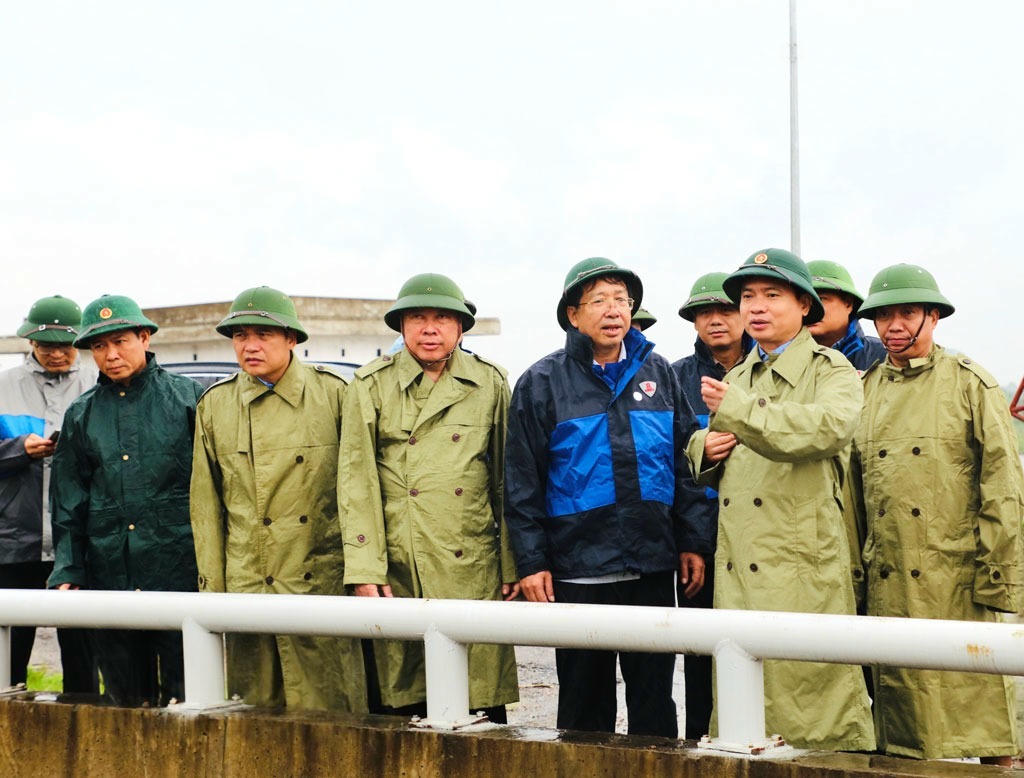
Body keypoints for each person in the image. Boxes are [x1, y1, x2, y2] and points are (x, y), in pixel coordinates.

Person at [505, 257, 707, 737]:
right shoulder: (541, 382)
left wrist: (692, 540)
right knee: (583, 706)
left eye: (622, 299)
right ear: (573, 315)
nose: (613, 310)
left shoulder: (659, 372)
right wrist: (531, 562)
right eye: (598, 300)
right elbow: (521, 481)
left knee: (654, 700)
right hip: (578, 569)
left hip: (652, 568)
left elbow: (684, 465)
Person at [685, 248, 875, 751]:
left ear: (804, 306)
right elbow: (707, 457)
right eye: (748, 297)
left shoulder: (832, 369)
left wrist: (741, 413)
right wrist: (705, 447)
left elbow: (829, 428)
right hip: (740, 569)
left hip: (801, 567)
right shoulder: (738, 376)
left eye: (772, 295)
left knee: (813, 712)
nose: (757, 307)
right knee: (744, 716)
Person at [850, 264, 1023, 765]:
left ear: (934, 316)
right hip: (888, 574)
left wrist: (998, 574)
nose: (894, 326)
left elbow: (1004, 488)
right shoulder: (866, 388)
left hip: (957, 575)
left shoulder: (971, 383)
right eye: (884, 317)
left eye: (907, 314)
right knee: (902, 728)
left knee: (984, 718)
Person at [341, 274, 518, 720]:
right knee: (403, 705)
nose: (429, 328)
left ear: (461, 328)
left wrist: (513, 561)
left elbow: (507, 482)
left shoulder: (490, 383)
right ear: (401, 327)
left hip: (470, 566)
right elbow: (356, 482)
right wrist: (364, 567)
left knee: (477, 702)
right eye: (417, 318)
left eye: (442, 318)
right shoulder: (369, 385)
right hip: (399, 568)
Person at [190, 286, 365, 711]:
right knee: (253, 718)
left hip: (317, 582)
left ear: (292, 339)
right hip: (249, 584)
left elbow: (358, 492)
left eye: (264, 334)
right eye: (240, 335)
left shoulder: (335, 394)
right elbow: (206, 507)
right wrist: (214, 592)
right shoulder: (215, 405)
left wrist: (362, 571)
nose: (250, 346)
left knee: (331, 718)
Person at [48, 295, 202, 707]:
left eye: (120, 342)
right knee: (123, 702)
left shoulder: (189, 398)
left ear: (144, 337)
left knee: (186, 698)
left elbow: (216, 488)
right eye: (99, 347)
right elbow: (68, 501)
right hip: (110, 573)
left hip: (179, 573)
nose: (111, 355)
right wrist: (69, 566)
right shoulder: (81, 414)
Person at [0, 295, 98, 693]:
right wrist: (16, 450)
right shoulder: (4, 386)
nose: (57, 354)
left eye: (65, 344)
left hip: (76, 541)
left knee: (82, 652)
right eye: (47, 345)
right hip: (12, 540)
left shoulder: (97, 384)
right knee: (7, 655)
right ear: (30, 343)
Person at [670, 272, 752, 739]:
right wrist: (692, 542)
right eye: (705, 312)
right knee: (701, 653)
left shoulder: (764, 373)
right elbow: (674, 470)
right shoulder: (677, 377)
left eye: (725, 309)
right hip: (703, 540)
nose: (716, 320)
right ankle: (701, 741)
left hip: (762, 536)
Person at [806, 260, 886, 372]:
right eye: (804, 301)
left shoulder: (885, 356)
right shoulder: (782, 356)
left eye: (821, 299)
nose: (810, 309)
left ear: (848, 303)